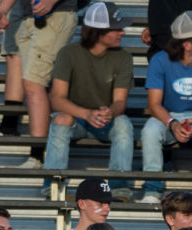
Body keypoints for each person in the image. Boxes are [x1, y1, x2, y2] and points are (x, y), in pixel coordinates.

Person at [42, 4, 135, 180]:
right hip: (77, 118)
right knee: (61, 118)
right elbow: (57, 99)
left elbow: (120, 102)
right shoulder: (68, 53)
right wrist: (87, 114)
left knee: (123, 123)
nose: (122, 32)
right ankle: (53, 183)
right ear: (98, 32)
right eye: (116, 29)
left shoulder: (124, 57)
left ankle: (119, 187)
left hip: (104, 120)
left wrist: (110, 112)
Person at [143, 11, 192, 204]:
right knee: (150, 131)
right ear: (187, 44)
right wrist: (172, 124)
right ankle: (153, 189)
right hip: (169, 115)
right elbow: (154, 105)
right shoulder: (159, 60)